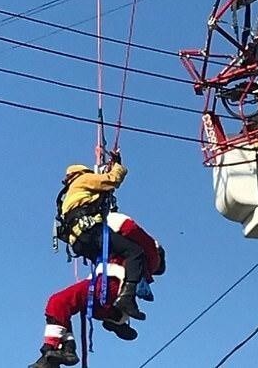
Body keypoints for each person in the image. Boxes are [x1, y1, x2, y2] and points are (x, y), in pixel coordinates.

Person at [30, 214, 165, 367]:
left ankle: (56, 347)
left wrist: (104, 218)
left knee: (58, 302)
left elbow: (128, 227)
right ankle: (113, 322)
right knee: (65, 305)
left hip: (108, 286)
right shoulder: (142, 261)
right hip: (105, 292)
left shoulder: (145, 252)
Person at [56, 151, 146, 321]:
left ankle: (115, 315)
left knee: (113, 266)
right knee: (134, 252)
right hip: (91, 233)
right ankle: (126, 298)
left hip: (79, 242)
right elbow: (112, 180)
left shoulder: (69, 195)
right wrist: (118, 166)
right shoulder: (82, 179)